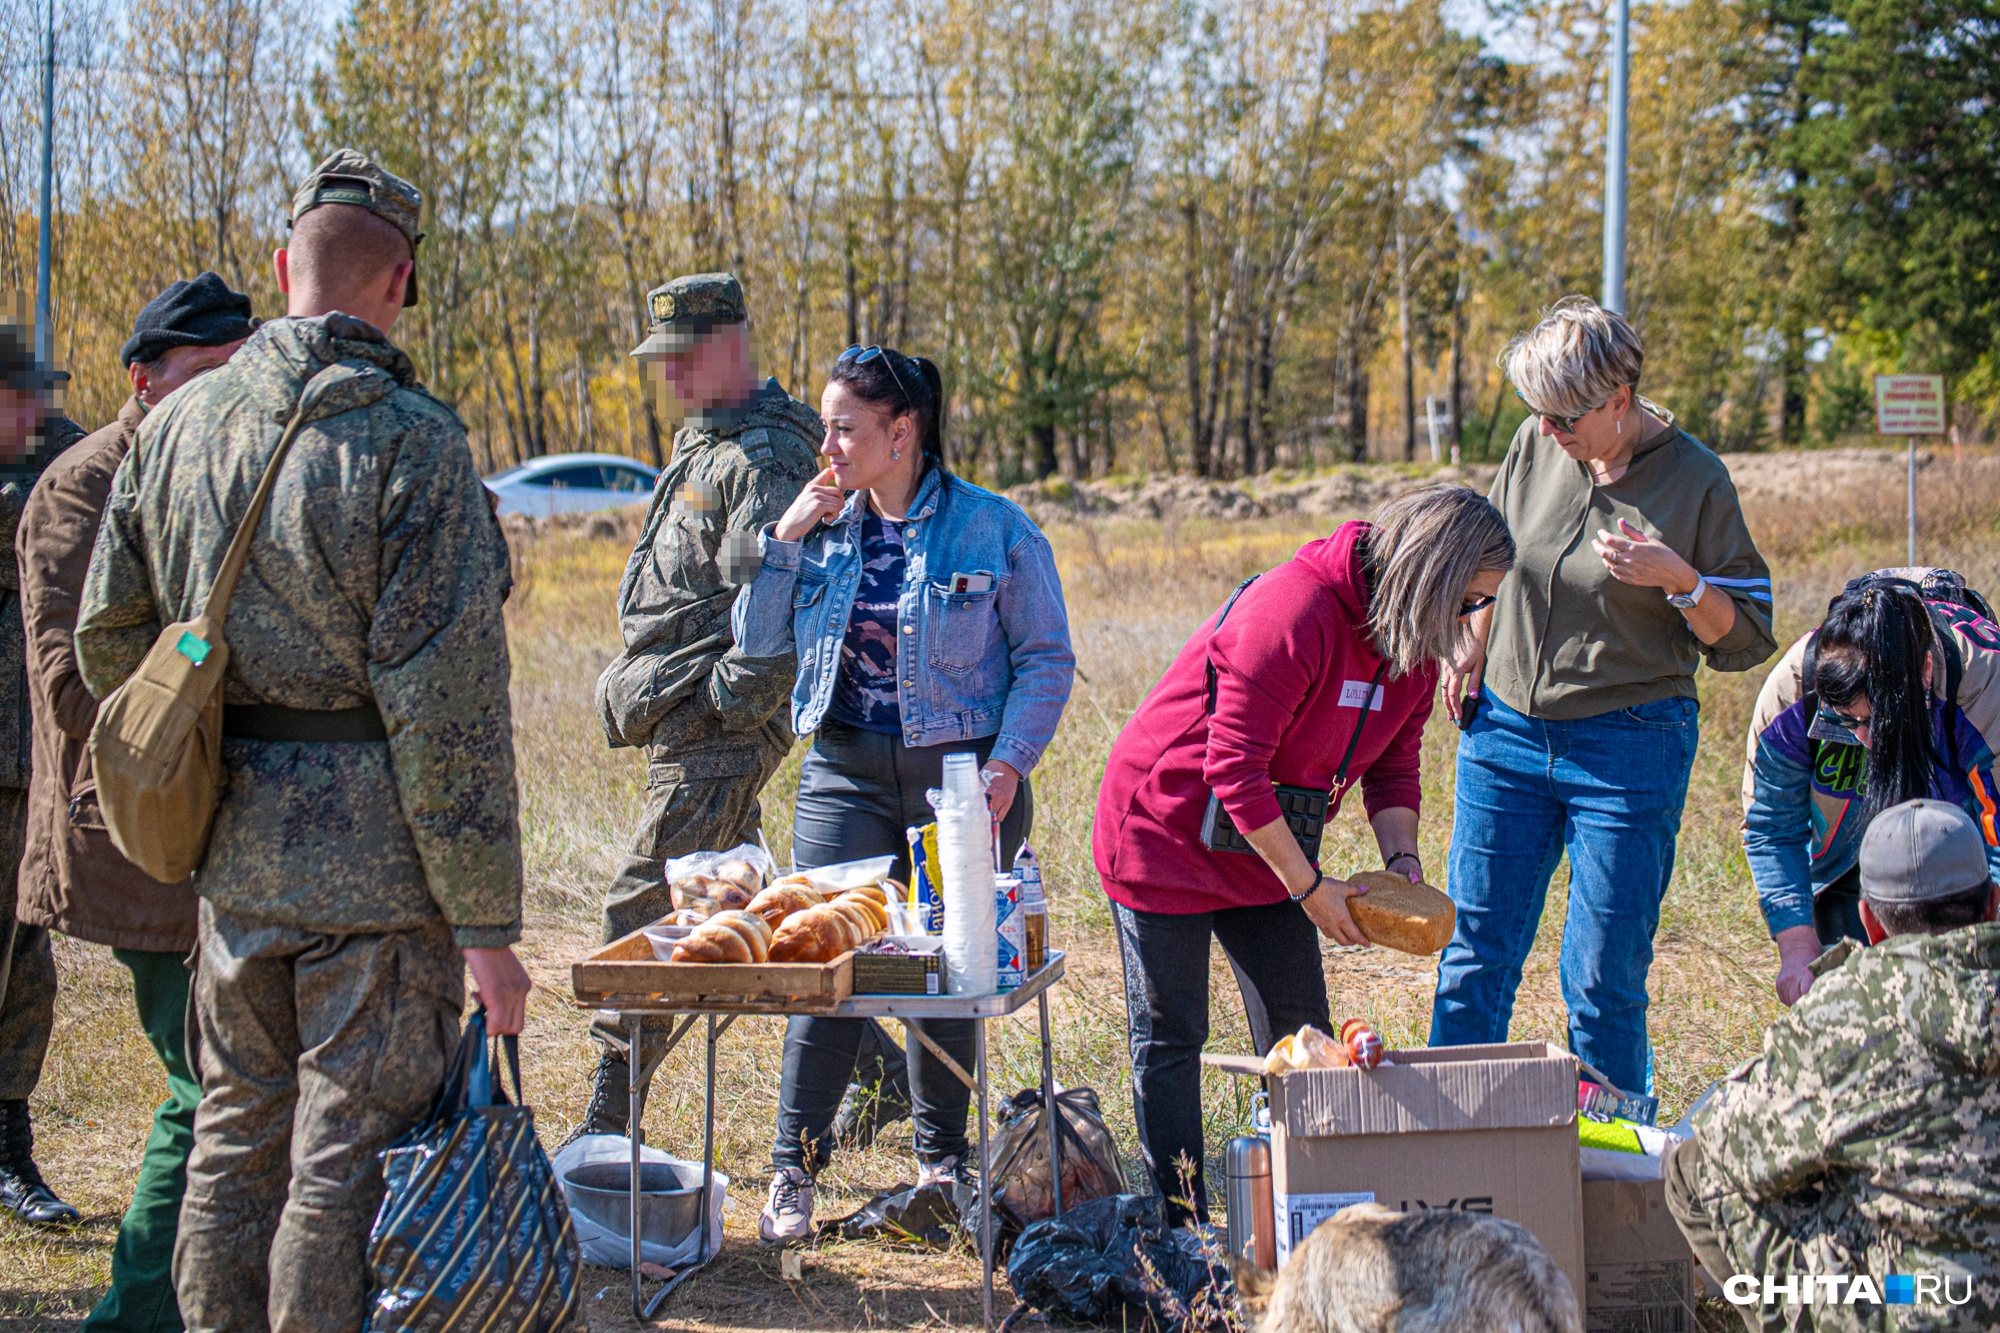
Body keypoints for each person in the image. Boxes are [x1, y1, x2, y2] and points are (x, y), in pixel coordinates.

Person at [75, 149, 532, 1333]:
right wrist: (488, 930)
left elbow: (105, 641)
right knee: (345, 1154)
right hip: (380, 881)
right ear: (401, 281)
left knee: (234, 1139)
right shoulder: (412, 442)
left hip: (230, 856)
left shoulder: (174, 429)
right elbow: (452, 717)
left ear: (282, 268)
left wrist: (211, 733)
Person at [1093, 486, 1514, 1225]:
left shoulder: (1410, 646)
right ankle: (1181, 1230)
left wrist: (1402, 858)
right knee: (1172, 1032)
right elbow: (1232, 768)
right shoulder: (1295, 611)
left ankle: (1312, 1215)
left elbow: (1394, 763)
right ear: (1434, 578)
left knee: (1301, 1033)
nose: (1474, 621)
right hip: (1163, 830)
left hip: (1264, 842)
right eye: (1472, 600)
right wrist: (1311, 887)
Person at [732, 343, 1074, 1243]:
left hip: (963, 777)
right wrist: (789, 537)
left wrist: (1008, 764)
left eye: (844, 428)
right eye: (825, 427)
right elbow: (757, 641)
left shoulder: (994, 529)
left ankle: (942, 1162)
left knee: (948, 972)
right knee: (824, 966)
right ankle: (791, 1175)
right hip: (843, 768)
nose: (828, 447)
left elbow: (1045, 658)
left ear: (902, 430)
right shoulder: (822, 524)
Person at [1431, 297, 1778, 1096]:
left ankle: (1618, 1170)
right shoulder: (1532, 445)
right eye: (1539, 416)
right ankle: (1440, 1146)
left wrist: (1680, 580)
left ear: (1620, 400)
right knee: (1472, 956)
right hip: (1507, 736)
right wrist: (1470, 638)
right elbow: (1491, 556)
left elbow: (1747, 634)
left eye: (1564, 418)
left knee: (1600, 977)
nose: (1549, 434)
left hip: (1628, 748)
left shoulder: (1698, 481)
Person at [14, 273, 254, 1328]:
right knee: (205, 1089)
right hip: (131, 835)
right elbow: (73, 690)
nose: (224, 396)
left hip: (230, 831)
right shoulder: (79, 486)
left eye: (237, 375)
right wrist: (216, 673)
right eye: (205, 375)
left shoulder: (229, 469)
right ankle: (134, 1314)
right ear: (143, 381)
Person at [578, 273, 821, 1138]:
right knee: (752, 892)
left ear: (728, 347)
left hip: (716, 719)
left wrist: (727, 703)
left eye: (683, 359)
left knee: (643, 903)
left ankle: (612, 1109)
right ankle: (866, 1063)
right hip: (679, 704)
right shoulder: (708, 439)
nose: (670, 377)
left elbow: (776, 607)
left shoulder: (768, 456)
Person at [1666, 798, 2000, 1330]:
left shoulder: (1846, 1010)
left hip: (1910, 1300)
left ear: (1870, 920)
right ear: (1992, 904)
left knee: (1693, 1167)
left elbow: (1733, 1150)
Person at [1743, 570, 2000, 1006]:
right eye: (1849, 721)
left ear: (1925, 670)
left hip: (1965, 862)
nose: (1867, 739)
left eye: (1881, 719)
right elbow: (1771, 825)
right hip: (1848, 859)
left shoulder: (1983, 684)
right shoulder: (1794, 689)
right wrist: (1797, 945)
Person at [0, 313, 86, 1226]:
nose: (32, 413)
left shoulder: (55, 455)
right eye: (15, 397)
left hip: (24, 753)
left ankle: (10, 1147)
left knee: (22, 956)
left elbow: (78, 498)